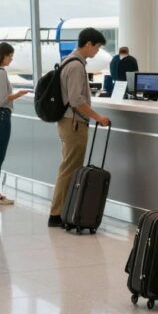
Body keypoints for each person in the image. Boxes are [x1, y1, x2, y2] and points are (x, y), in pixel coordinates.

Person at [47, 28, 112, 228]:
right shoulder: (76, 66)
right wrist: (98, 117)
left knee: (69, 167)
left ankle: (62, 211)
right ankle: (57, 214)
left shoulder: (69, 61)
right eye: (97, 47)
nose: (97, 51)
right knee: (69, 169)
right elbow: (76, 100)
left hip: (68, 122)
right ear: (89, 44)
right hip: (74, 123)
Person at [0, 42, 28, 205]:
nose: (11, 59)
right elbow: (2, 99)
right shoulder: (1, 73)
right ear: (3, 55)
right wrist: (17, 95)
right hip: (1, 116)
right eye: (10, 56)